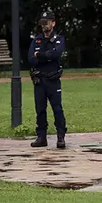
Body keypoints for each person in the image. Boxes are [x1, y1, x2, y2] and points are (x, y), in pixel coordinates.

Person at [27, 11, 68, 148]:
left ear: (53, 23)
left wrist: (39, 54)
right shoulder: (36, 40)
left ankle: (61, 137)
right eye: (42, 23)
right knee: (40, 110)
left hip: (53, 79)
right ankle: (41, 137)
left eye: (47, 22)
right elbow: (31, 60)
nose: (44, 25)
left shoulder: (59, 39)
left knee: (57, 108)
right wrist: (45, 56)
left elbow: (56, 54)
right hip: (39, 80)